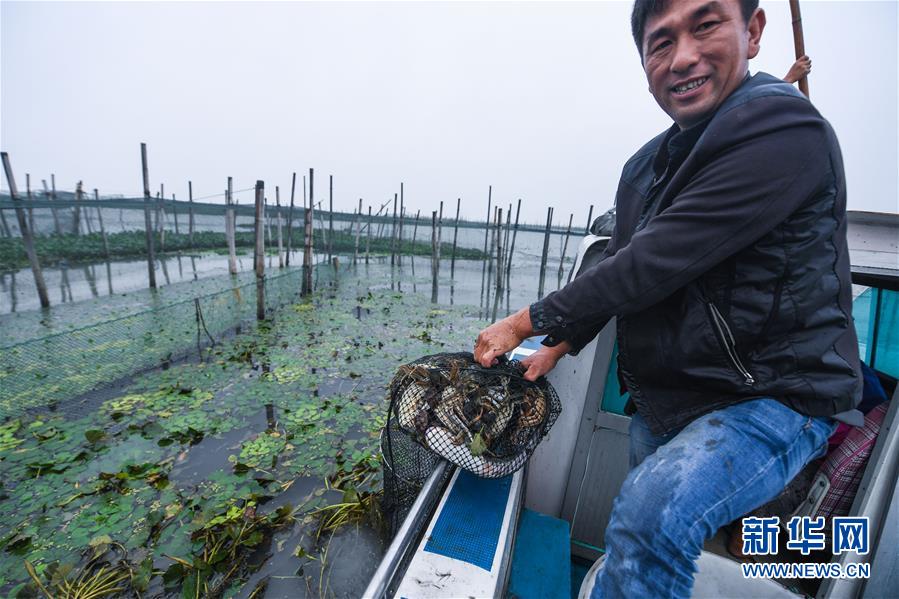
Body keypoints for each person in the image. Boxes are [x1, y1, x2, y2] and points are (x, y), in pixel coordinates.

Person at [473, 0, 861, 597]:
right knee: (664, 542)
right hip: (667, 400)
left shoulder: (787, 129)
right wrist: (558, 345)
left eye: (706, 25)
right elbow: (628, 267)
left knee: (649, 517)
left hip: (773, 395)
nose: (683, 57)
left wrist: (525, 321)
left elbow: (662, 258)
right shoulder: (644, 167)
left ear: (752, 32)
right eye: (660, 43)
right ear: (645, 63)